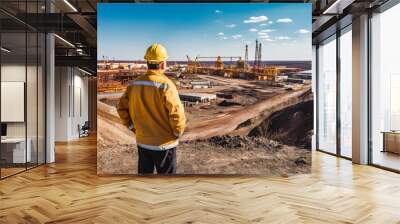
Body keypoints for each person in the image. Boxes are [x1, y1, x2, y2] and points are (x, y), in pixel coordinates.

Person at [117, 43, 186, 174]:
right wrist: (177, 133)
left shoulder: (134, 84)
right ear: (162, 64)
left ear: (148, 62)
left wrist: (132, 127)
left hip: (143, 143)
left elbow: (121, 107)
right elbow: (177, 114)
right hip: (165, 145)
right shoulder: (166, 85)